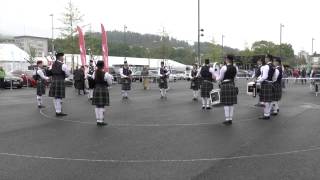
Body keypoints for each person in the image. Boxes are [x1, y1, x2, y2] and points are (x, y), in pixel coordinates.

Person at [217, 55, 238, 125]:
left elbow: (220, 78)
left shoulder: (224, 67)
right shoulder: (235, 68)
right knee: (231, 104)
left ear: (228, 60)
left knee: (226, 103)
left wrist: (215, 78)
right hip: (232, 85)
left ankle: (227, 119)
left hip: (225, 85)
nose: (225, 60)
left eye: (226, 59)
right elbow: (235, 78)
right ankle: (230, 119)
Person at [48, 52, 70, 116]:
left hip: (54, 81)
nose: (63, 58)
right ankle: (58, 111)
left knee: (55, 97)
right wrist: (64, 76)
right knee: (58, 97)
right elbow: (68, 74)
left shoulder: (52, 64)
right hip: (60, 81)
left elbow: (49, 72)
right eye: (62, 57)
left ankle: (57, 110)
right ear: (60, 57)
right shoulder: (63, 65)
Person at [92, 61, 113, 126]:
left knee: (97, 105)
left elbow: (93, 79)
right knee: (102, 105)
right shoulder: (106, 74)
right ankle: (101, 120)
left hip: (96, 88)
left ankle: (98, 120)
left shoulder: (94, 73)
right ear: (103, 66)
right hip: (103, 89)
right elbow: (110, 83)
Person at [256, 54, 275, 120]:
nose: (265, 59)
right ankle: (268, 114)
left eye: (266, 58)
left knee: (266, 100)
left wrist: (257, 81)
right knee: (269, 100)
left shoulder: (267, 66)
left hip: (265, 83)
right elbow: (274, 77)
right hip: (270, 83)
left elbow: (264, 77)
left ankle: (266, 115)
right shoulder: (273, 66)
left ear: (268, 58)